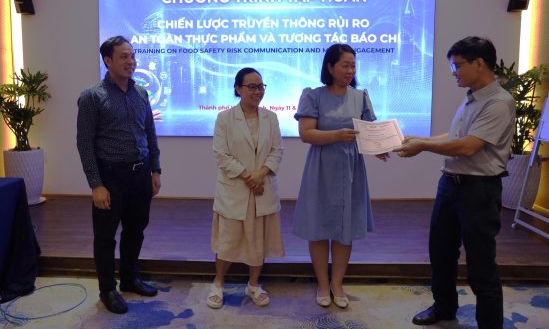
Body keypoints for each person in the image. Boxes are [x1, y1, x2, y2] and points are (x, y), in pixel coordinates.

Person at [394, 36, 515, 329]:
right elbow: (455, 137)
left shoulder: (499, 102)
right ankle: (444, 308)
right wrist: (420, 139)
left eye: (458, 65)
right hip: (450, 184)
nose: (453, 72)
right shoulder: (472, 97)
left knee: (481, 265)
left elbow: (468, 147)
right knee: (441, 252)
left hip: (479, 190)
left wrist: (423, 146)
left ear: (479, 63)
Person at [293, 44, 387, 308]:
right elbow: (306, 134)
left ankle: (337, 283)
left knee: (345, 228)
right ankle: (323, 284)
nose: (350, 70)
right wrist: (336, 135)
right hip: (322, 168)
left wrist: (379, 148)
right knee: (318, 227)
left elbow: (369, 132)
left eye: (353, 65)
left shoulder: (360, 96)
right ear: (330, 67)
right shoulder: (313, 95)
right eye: (345, 65)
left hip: (351, 169)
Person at [77, 36, 162, 314]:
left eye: (132, 56)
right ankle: (107, 290)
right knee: (105, 237)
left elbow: (149, 133)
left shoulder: (141, 94)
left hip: (140, 175)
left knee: (135, 231)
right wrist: (96, 185)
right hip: (110, 177)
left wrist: (155, 169)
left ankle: (129, 278)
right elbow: (84, 144)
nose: (131, 61)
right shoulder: (92, 96)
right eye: (124, 56)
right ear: (108, 60)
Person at [208, 67, 284, 309]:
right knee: (227, 241)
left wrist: (259, 175)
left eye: (261, 86)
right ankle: (218, 283)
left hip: (262, 188)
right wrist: (249, 177)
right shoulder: (225, 118)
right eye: (252, 86)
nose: (257, 91)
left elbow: (277, 151)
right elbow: (221, 154)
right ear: (238, 89)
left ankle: (253, 284)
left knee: (258, 240)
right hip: (235, 189)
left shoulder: (271, 117)